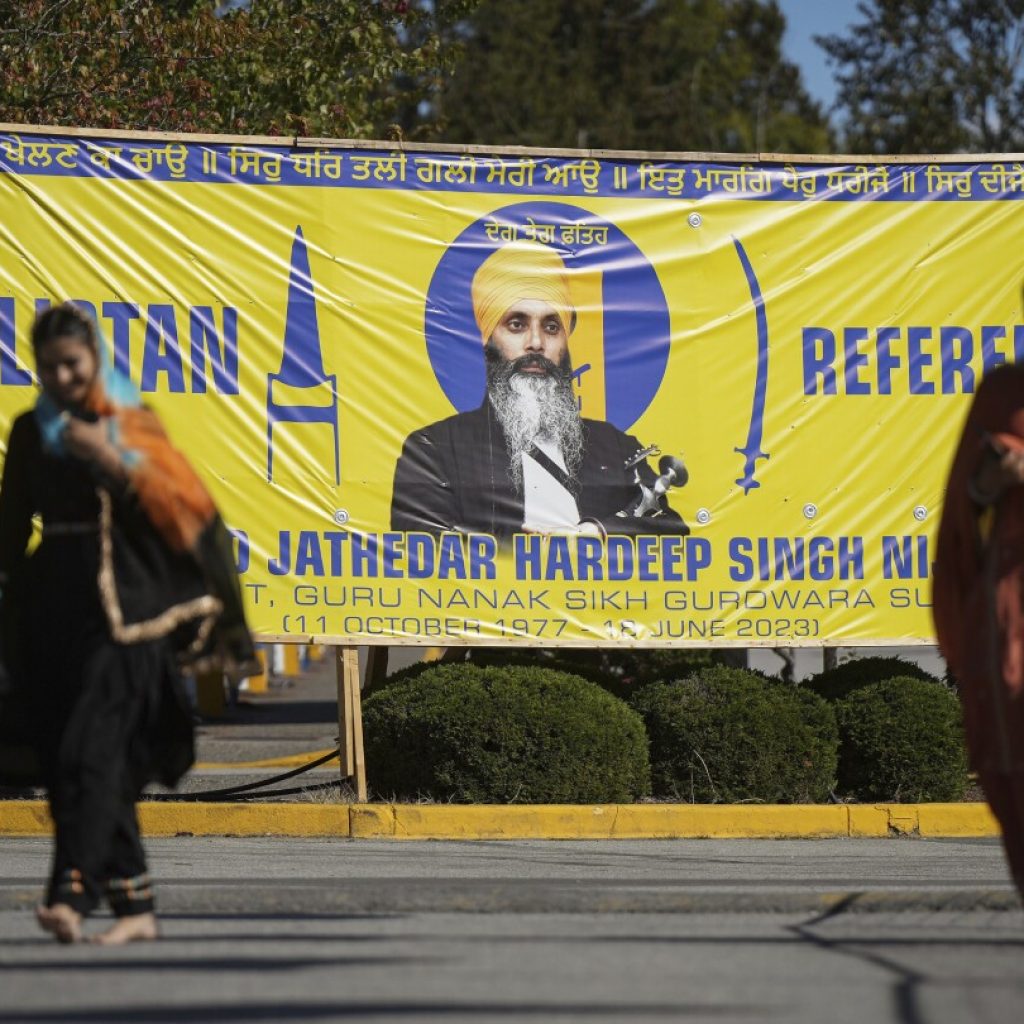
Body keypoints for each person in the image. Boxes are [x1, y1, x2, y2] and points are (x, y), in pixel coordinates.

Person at [0, 303, 257, 944]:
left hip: (128, 619)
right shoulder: (32, 431)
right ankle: (136, 907)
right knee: (69, 759)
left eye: (73, 364)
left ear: (94, 360)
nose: (62, 377)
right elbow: (9, 530)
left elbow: (192, 517)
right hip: (52, 612)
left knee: (92, 749)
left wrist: (113, 463)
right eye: (50, 366)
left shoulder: (128, 424)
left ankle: (70, 891)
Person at [391, 241, 689, 542]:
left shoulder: (614, 447)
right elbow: (421, 548)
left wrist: (598, 533)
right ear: (488, 341)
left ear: (565, 342)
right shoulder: (434, 450)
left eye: (551, 327)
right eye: (517, 324)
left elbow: (671, 528)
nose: (536, 343)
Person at [934, 362, 1024, 898]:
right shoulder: (1004, 390)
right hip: (1012, 595)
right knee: (1008, 747)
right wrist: (993, 478)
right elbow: (969, 496)